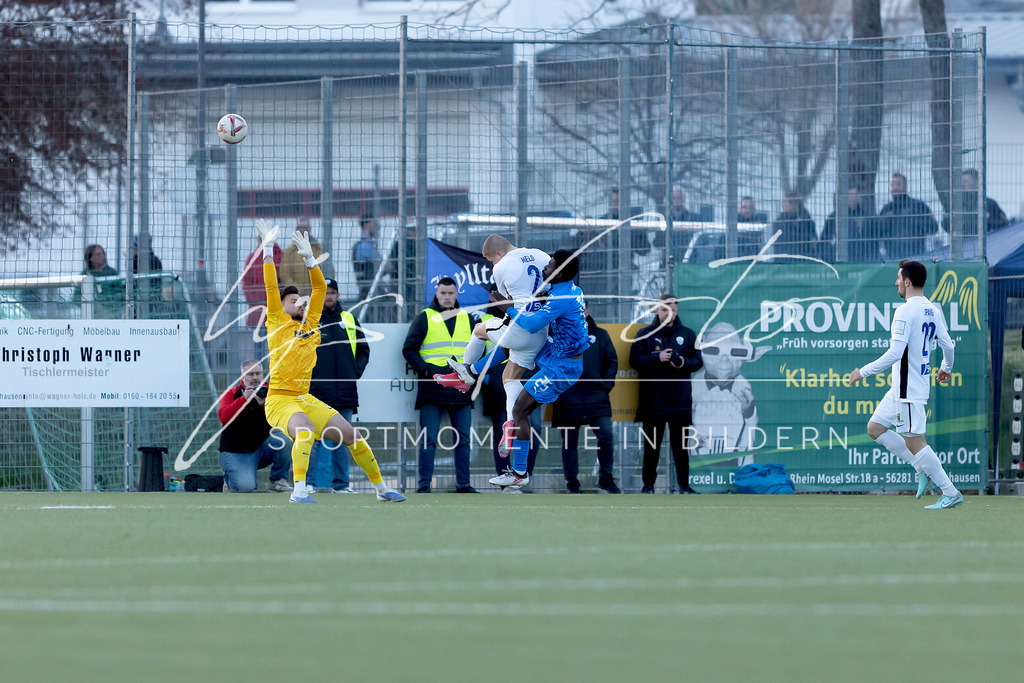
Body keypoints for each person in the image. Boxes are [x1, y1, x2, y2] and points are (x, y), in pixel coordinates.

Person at [256, 218, 404, 504]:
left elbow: (321, 290)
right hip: (279, 400)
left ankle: (382, 489)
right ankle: (299, 490)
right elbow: (271, 287)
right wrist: (267, 249)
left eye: (300, 299)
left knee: (352, 435)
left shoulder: (311, 321)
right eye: (293, 300)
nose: (299, 302)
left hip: (303, 397)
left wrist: (310, 258)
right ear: (282, 307)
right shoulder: (276, 321)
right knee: (305, 430)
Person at [845, 259, 962, 509]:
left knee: (915, 441)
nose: (895, 282)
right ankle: (921, 469)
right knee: (875, 428)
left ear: (907, 282)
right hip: (900, 387)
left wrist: (862, 372)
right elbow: (949, 346)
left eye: (898, 278)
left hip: (908, 388)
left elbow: (895, 353)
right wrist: (946, 368)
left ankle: (950, 492)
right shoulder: (933, 309)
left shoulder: (905, 310)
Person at [435, 235, 550, 456]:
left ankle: (465, 372)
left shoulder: (502, 267)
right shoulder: (541, 255)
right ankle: (510, 423)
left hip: (519, 326)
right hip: (540, 331)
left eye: (490, 260)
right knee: (510, 376)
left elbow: (504, 300)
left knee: (479, 330)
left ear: (499, 254)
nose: (492, 265)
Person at [488, 249, 591, 489]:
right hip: (555, 353)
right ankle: (472, 371)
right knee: (513, 345)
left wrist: (509, 308)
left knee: (519, 410)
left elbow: (533, 325)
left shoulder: (560, 298)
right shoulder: (568, 289)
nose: (545, 268)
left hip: (563, 368)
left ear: (561, 272)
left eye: (549, 265)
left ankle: (519, 474)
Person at [402, 277, 478, 493]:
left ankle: (463, 484)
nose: (447, 297)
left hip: (461, 390)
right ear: (437, 293)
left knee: (463, 440)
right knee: (428, 440)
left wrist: (473, 372)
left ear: (456, 294)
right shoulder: (425, 317)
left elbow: (480, 350)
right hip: (432, 390)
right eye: (443, 293)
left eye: (451, 293)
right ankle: (424, 485)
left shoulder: (469, 319)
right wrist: (426, 370)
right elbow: (409, 349)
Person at [628, 293, 703, 494]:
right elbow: (634, 360)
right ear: (656, 310)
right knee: (652, 446)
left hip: (680, 400)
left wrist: (682, 362)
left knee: (681, 448)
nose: (668, 314)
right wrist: (656, 357)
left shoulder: (688, 334)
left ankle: (684, 487)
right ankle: (648, 486)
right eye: (664, 309)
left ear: (677, 311)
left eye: (672, 310)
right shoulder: (645, 333)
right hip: (653, 400)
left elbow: (698, 361)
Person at [551, 302, 621, 494]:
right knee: (569, 443)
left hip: (596, 397)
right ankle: (572, 483)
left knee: (606, 435)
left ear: (588, 311)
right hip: (567, 398)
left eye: (582, 309)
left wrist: (605, 384)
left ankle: (606, 478)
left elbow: (611, 362)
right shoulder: (559, 334)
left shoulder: (601, 335)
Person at [308, 278, 369, 494]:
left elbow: (364, 350)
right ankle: (308, 484)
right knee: (313, 440)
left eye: (332, 292)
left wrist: (354, 373)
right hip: (317, 393)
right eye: (325, 292)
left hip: (345, 392)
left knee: (344, 439)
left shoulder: (349, 319)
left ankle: (341, 484)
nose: (329, 296)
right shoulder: (310, 320)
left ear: (338, 295)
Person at [218, 359, 293, 493]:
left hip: (261, 448)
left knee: (284, 440)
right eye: (250, 374)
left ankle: (278, 481)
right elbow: (223, 416)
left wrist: (264, 405)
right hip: (236, 451)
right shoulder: (232, 393)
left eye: (258, 374)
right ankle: (229, 479)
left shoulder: (270, 392)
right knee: (245, 488)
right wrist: (244, 400)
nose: (255, 378)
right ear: (242, 376)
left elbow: (283, 416)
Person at [877, 172, 938, 258]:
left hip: (916, 257)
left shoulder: (918, 206)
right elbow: (877, 233)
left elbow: (934, 228)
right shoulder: (886, 210)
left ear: (905, 186)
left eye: (898, 184)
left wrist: (917, 221)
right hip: (892, 260)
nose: (895, 188)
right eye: (892, 184)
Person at [822, 187, 877, 262]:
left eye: (855, 194)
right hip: (839, 262)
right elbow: (824, 243)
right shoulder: (834, 217)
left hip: (862, 262)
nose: (853, 198)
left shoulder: (865, 216)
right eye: (850, 195)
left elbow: (873, 241)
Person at [241, 236, 283, 327]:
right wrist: (255, 301)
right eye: (261, 238)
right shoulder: (252, 258)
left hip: (276, 308)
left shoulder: (281, 256)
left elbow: (284, 281)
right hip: (257, 309)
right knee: (258, 337)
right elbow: (245, 282)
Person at [280, 217, 326, 297]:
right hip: (298, 296)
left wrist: (319, 287)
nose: (303, 230)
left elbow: (328, 270)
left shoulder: (319, 249)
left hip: (317, 293)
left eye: (306, 227)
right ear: (296, 229)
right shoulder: (289, 252)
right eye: (300, 227)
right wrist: (298, 291)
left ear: (310, 229)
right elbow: (285, 276)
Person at [954, 168, 1008, 234]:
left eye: (965, 181)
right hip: (965, 242)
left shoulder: (989, 203)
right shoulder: (958, 203)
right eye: (961, 182)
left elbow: (1003, 224)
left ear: (976, 183)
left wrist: (988, 219)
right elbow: (947, 224)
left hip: (989, 241)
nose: (962, 185)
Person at [78, 244, 123, 318]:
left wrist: (111, 307)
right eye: (98, 254)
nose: (102, 256)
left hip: (110, 314)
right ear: (91, 257)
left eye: (103, 253)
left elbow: (120, 293)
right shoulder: (84, 274)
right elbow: (76, 296)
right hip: (90, 314)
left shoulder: (112, 273)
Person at [771, 193, 818, 259]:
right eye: (783, 202)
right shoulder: (781, 219)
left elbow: (811, 237)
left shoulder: (805, 218)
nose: (783, 205)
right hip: (785, 256)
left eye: (785, 202)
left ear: (793, 203)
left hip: (803, 255)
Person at [352, 213, 382, 303]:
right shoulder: (365, 246)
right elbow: (386, 266)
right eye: (374, 223)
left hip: (368, 292)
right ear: (366, 224)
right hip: (369, 293)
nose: (378, 226)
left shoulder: (364, 245)